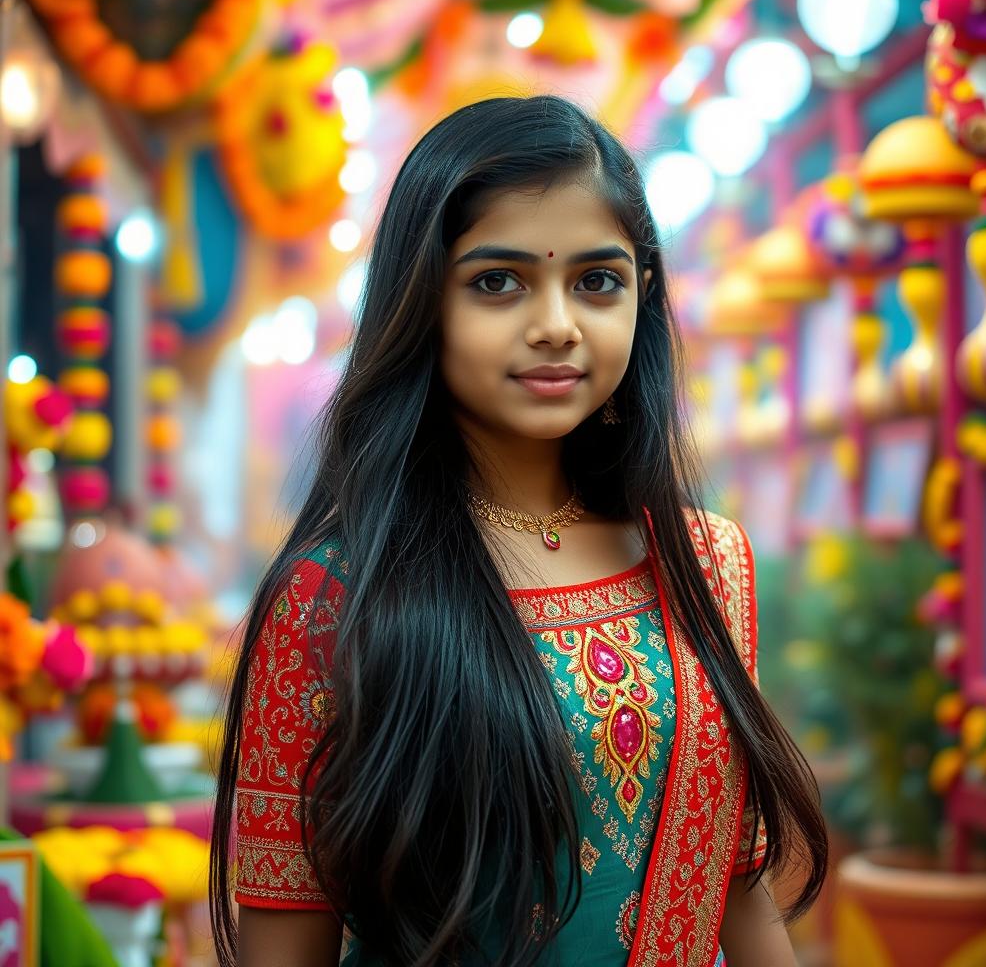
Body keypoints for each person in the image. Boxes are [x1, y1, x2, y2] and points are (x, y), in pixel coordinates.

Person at [210, 94, 828, 967]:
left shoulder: (707, 564)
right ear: (422, 301)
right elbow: (285, 937)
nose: (556, 325)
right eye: (498, 281)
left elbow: (735, 882)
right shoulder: (333, 597)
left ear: (642, 295)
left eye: (596, 281)